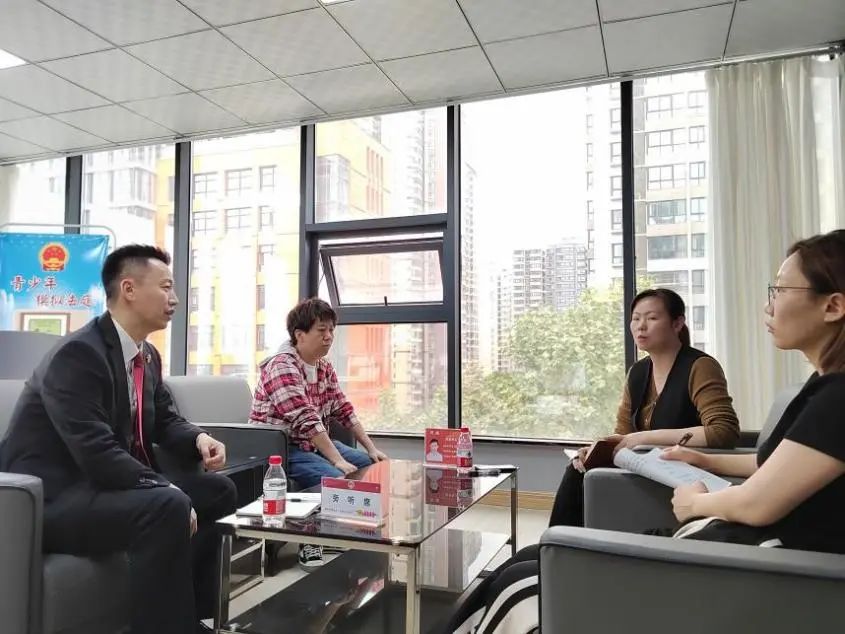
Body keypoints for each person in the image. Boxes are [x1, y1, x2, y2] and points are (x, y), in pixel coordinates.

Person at [443, 230, 845, 634]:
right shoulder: (819, 388)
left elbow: (752, 492)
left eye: (780, 289)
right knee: (523, 558)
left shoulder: (828, 396)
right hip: (724, 542)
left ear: (833, 306)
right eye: (636, 318)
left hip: (744, 566)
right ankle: (558, 546)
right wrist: (696, 460)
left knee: (522, 580)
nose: (768, 303)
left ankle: (561, 551)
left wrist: (696, 502)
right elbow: (772, 464)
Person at [0, 245, 236, 634]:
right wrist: (165, 487)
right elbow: (97, 452)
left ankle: (197, 616)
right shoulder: (78, 355)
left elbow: (165, 419)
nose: (175, 299)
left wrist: (198, 439)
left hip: (102, 488)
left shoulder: (147, 356)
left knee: (219, 491)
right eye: (166, 287)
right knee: (168, 504)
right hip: (54, 498)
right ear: (128, 289)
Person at [548, 287, 740, 527]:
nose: (641, 326)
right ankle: (561, 543)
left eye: (652, 318)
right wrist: (597, 450)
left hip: (685, 475)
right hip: (646, 466)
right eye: (636, 318)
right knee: (578, 467)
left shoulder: (699, 366)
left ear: (677, 323)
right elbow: (623, 433)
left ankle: (561, 544)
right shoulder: (638, 372)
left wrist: (642, 438)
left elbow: (723, 432)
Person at [249, 297, 387, 570]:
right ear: (299, 335)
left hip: (310, 444)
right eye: (321, 330)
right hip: (280, 448)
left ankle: (347, 531)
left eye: (331, 330)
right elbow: (305, 419)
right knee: (334, 477)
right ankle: (310, 541)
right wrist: (337, 460)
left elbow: (343, 408)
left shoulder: (324, 367)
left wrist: (371, 448)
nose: (329, 336)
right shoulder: (281, 366)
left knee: (369, 466)